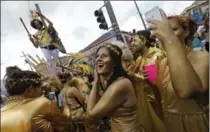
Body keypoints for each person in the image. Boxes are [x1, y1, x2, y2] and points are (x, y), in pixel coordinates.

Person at [147, 9, 209, 132]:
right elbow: (158, 91)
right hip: (170, 122)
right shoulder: (161, 61)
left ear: (186, 32)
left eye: (173, 30)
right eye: (162, 31)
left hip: (194, 124)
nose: (164, 34)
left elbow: (186, 91)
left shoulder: (203, 57)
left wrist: (169, 37)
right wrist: (147, 80)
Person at [83, 44, 144, 132]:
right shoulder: (114, 82)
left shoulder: (120, 85)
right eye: (97, 56)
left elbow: (90, 115)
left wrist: (96, 82)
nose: (98, 59)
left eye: (104, 56)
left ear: (114, 62)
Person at [1, 66, 71, 132]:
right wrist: (65, 106)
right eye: (39, 89)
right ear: (30, 90)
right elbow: (65, 122)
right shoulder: (42, 102)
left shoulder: (2, 112)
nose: (41, 92)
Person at [29, 11, 66, 76]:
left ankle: (62, 74)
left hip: (53, 47)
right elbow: (36, 46)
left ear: (40, 23)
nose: (38, 25)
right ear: (35, 26)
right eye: (36, 24)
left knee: (57, 61)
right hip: (45, 49)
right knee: (50, 63)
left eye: (38, 23)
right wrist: (32, 41)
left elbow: (51, 23)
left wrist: (42, 16)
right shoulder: (35, 35)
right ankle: (55, 76)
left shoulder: (46, 29)